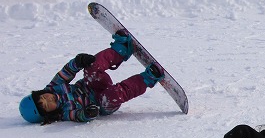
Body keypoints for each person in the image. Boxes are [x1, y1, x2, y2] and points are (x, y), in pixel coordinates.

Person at [19, 31, 164, 124]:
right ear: (48, 114)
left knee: (92, 67)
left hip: (92, 85)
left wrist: (78, 62)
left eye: (43, 97)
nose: (48, 99)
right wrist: (88, 113)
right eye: (45, 105)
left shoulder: (53, 87)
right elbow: (78, 115)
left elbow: (66, 72)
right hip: (102, 103)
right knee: (112, 94)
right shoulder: (64, 112)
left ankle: (120, 50)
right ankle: (148, 78)